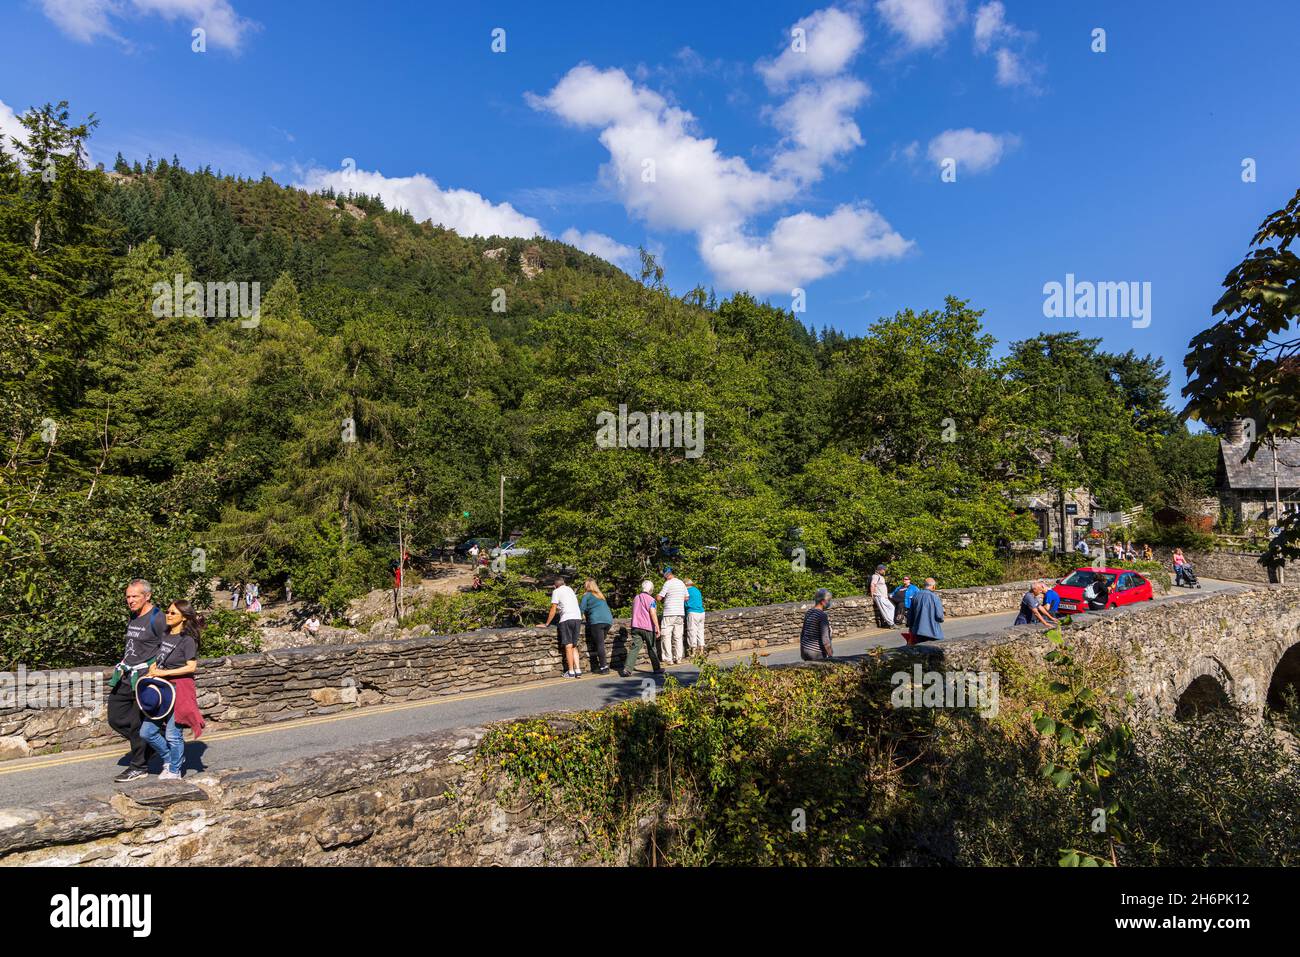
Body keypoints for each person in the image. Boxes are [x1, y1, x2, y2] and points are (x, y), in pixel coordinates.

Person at [108, 579, 168, 783]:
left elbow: (171, 645)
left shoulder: (158, 618)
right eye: (128, 596)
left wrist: (157, 670)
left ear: (147, 596)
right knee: (115, 718)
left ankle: (138, 766)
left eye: (135, 596)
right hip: (126, 675)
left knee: (136, 724)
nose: (130, 600)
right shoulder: (134, 615)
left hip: (144, 679)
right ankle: (155, 738)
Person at [140, 600, 205, 779]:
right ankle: (170, 759)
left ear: (184, 617)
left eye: (173, 613)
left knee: (172, 734)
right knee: (146, 732)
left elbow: (191, 667)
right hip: (161, 691)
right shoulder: (166, 634)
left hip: (179, 690)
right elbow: (158, 657)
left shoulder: (188, 640)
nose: (168, 615)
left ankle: (175, 771)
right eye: (168, 611)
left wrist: (163, 672)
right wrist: (152, 671)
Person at [537, 576, 583, 677]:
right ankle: (578, 670)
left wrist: (547, 624)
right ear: (564, 583)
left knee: (568, 645)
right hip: (577, 618)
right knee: (574, 645)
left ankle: (570, 671)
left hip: (567, 619)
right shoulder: (570, 589)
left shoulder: (556, 591)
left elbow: (553, 608)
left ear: (555, 585)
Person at [622, 580, 663, 677]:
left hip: (636, 626)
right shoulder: (651, 599)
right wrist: (657, 627)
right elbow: (652, 613)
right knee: (652, 648)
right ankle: (657, 669)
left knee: (635, 648)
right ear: (651, 589)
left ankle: (627, 669)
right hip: (647, 627)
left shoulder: (636, 598)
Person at [579, 578, 613, 675]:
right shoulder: (600, 595)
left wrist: (578, 621)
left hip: (597, 621)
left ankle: (604, 667)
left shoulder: (587, 595)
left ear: (587, 586)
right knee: (600, 643)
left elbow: (581, 609)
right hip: (608, 621)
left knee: (599, 644)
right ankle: (601, 665)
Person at [657, 567, 689, 666]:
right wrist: (678, 599)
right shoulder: (681, 583)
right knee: (678, 637)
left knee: (666, 636)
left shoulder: (667, 583)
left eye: (664, 575)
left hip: (669, 613)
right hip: (680, 612)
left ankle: (668, 659)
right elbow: (687, 597)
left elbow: (659, 598)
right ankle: (678, 658)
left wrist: (660, 597)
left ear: (667, 574)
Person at [905, 578, 945, 645]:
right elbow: (939, 616)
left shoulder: (916, 596)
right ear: (933, 586)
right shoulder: (934, 597)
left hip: (917, 632)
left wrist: (910, 627)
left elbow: (910, 615)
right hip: (933, 633)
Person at [799, 588, 834, 661]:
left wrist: (802, 650)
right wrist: (830, 655)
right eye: (829, 600)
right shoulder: (822, 615)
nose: (829, 603)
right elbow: (825, 638)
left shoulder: (809, 612)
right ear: (823, 601)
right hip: (816, 652)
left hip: (805, 649)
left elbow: (802, 633)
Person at [684, 577, 706, 656]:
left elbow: (685, 603)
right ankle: (701, 650)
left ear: (685, 584)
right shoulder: (697, 590)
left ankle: (693, 651)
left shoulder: (687, 591)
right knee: (700, 631)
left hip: (693, 612)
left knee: (692, 631)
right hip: (701, 612)